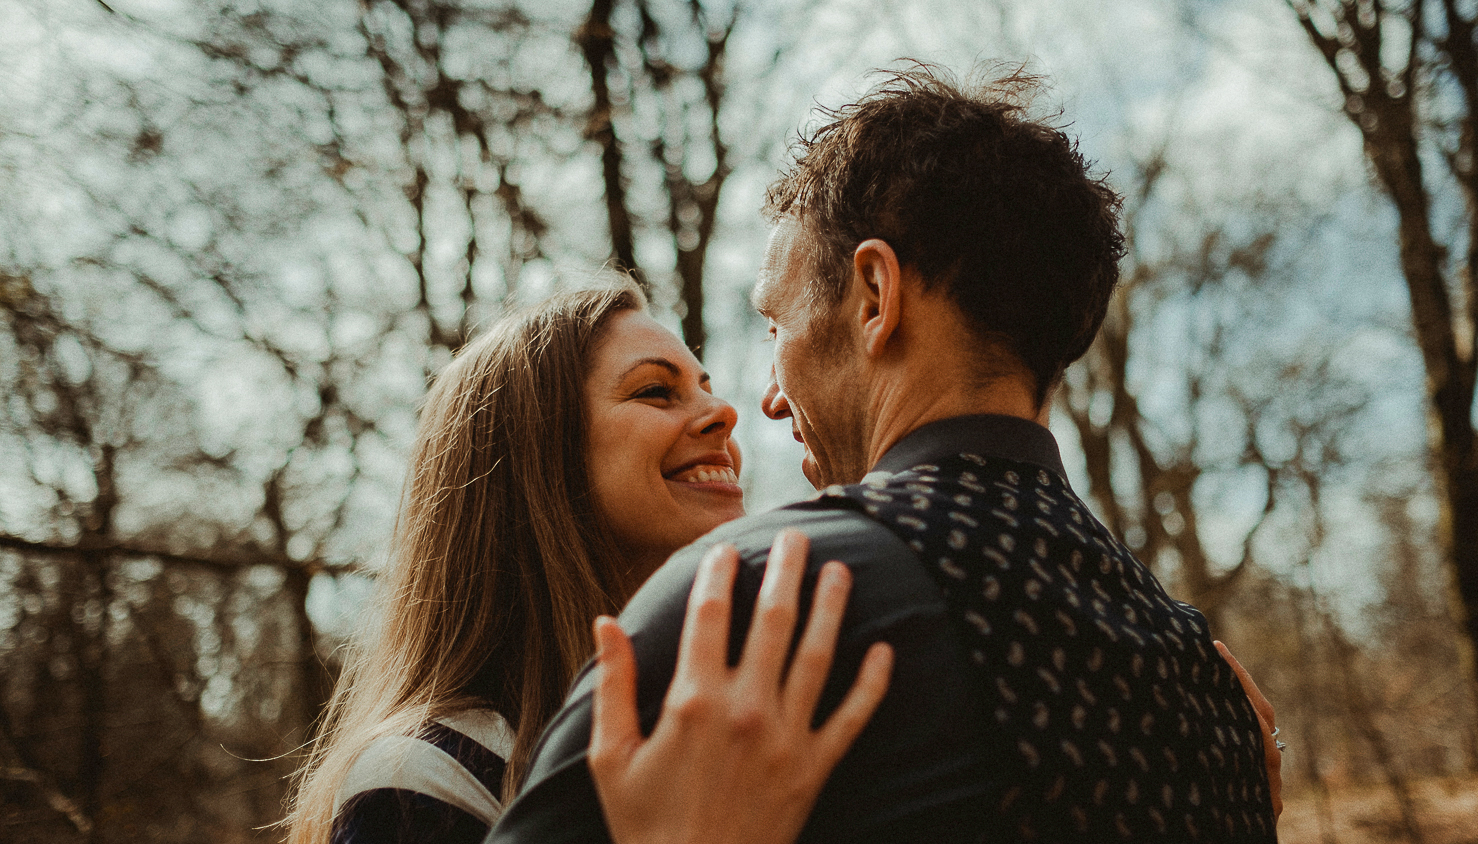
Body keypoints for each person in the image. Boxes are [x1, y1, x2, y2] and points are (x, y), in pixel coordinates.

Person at [487, 63, 1282, 844]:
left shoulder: (757, 608)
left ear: (874, 296)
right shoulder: (1209, 694)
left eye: (776, 326)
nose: (765, 397)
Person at [282, 284, 892, 844]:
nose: (724, 412)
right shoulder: (429, 777)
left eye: (706, 386)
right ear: (538, 461)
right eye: (656, 390)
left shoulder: (756, 717)